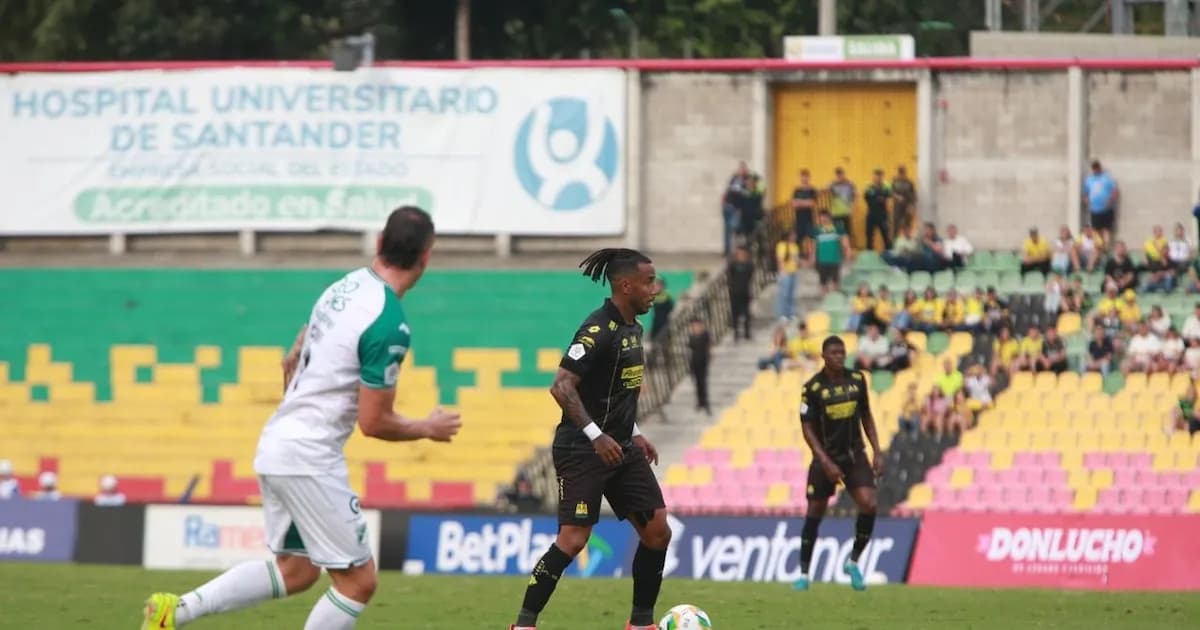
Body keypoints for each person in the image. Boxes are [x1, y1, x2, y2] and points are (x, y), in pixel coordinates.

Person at [141, 207, 462, 630]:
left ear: (379, 243)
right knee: (358, 583)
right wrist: (427, 427)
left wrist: (298, 363)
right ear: (427, 257)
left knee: (297, 570)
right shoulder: (388, 323)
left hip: (278, 441)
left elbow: (295, 351)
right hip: (310, 456)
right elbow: (374, 422)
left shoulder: (343, 288)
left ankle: (174, 613)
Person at [510, 248, 671, 630]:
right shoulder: (597, 330)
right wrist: (597, 436)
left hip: (620, 446)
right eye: (649, 282)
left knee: (657, 531)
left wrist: (635, 433)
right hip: (582, 447)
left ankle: (641, 623)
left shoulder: (634, 328)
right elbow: (561, 387)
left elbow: (614, 393)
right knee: (573, 539)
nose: (655, 289)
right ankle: (524, 624)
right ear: (626, 284)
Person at [792, 336, 883, 592]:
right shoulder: (812, 388)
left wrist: (877, 450)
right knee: (815, 513)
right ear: (824, 356)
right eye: (834, 353)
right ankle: (804, 574)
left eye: (842, 352)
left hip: (854, 454)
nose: (840, 356)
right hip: (826, 458)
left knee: (869, 503)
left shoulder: (857, 380)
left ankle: (852, 562)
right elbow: (807, 427)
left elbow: (866, 414)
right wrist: (824, 461)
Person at [727, 246, 754, 341]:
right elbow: (730, 277)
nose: (741, 256)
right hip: (734, 293)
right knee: (735, 314)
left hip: (745, 292)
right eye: (739, 254)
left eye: (743, 254)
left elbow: (750, 276)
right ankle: (736, 333)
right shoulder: (733, 265)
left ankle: (747, 332)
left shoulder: (749, 265)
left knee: (747, 314)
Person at [687, 318, 712, 414]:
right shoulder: (691, 335)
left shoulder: (705, 334)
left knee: (703, 382)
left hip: (703, 361)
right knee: (697, 382)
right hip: (694, 361)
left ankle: (705, 402)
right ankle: (700, 401)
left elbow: (708, 347)